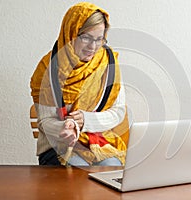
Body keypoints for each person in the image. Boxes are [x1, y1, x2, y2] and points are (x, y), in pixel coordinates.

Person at [30, 2, 129, 166]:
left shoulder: (108, 64)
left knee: (111, 167)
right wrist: (65, 129)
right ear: (70, 34)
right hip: (58, 146)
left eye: (99, 39)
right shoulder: (48, 68)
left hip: (99, 143)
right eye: (86, 38)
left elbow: (118, 112)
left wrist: (85, 120)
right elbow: (45, 121)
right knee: (78, 173)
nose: (93, 46)